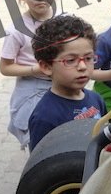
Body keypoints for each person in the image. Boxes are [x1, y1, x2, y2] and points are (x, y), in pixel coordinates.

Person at [0, 0, 58, 149]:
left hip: (62, 83)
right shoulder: (16, 30)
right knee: (39, 138)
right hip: (32, 87)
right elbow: (5, 67)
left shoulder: (65, 21)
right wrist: (34, 69)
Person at [27, 15, 106, 151]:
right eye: (70, 60)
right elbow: (41, 161)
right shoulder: (45, 117)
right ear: (46, 66)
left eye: (88, 58)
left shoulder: (97, 99)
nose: (82, 66)